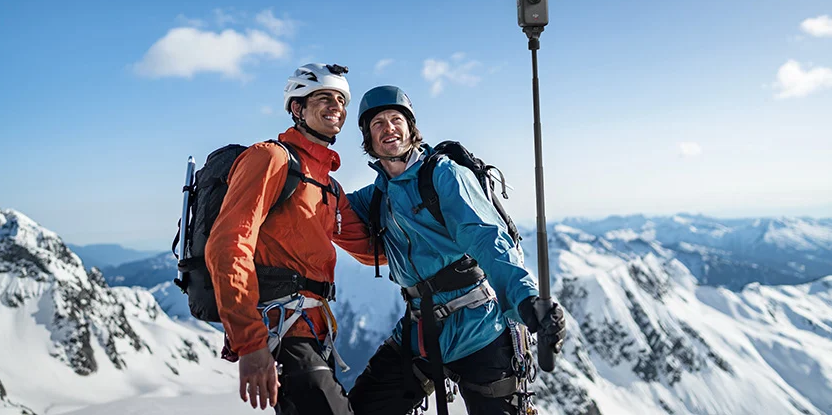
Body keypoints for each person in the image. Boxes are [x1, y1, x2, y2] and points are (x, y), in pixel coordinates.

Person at [346, 85, 567, 415]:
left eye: (396, 119)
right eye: (378, 123)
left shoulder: (443, 176)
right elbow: (320, 208)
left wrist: (526, 297)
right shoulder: (376, 197)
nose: (388, 128)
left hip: (480, 330)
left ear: (411, 128)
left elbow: (487, 239)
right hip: (421, 332)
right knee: (360, 408)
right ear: (368, 138)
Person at [204, 63, 381, 413]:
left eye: (341, 100)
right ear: (297, 108)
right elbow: (228, 246)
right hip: (279, 328)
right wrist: (251, 343)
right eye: (323, 98)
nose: (337, 107)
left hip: (315, 333)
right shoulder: (270, 159)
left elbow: (371, 250)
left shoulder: (329, 185)